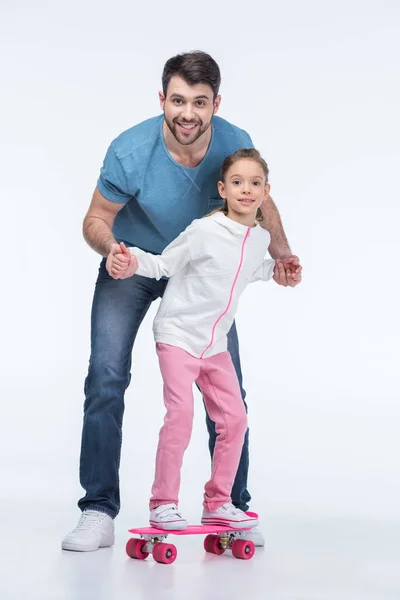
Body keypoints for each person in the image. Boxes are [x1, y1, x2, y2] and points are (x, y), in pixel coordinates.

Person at [62, 50, 302, 552]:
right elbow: (95, 218)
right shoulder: (130, 150)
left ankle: (230, 504)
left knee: (228, 394)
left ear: (216, 103)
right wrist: (114, 252)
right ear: (162, 100)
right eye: (177, 101)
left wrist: (281, 253)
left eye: (198, 102)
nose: (186, 113)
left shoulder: (236, 143)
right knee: (106, 375)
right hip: (136, 261)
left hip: (201, 275)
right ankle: (98, 510)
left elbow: (264, 201)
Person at [109, 148, 277, 531]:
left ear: (266, 191)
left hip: (214, 345)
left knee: (235, 420)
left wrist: (277, 270)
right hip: (178, 336)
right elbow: (165, 264)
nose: (246, 190)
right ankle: (162, 503)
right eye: (237, 182)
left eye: (254, 183)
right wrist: (133, 260)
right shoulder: (204, 231)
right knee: (181, 416)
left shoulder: (259, 238)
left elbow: (248, 270)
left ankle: (219, 502)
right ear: (223, 188)